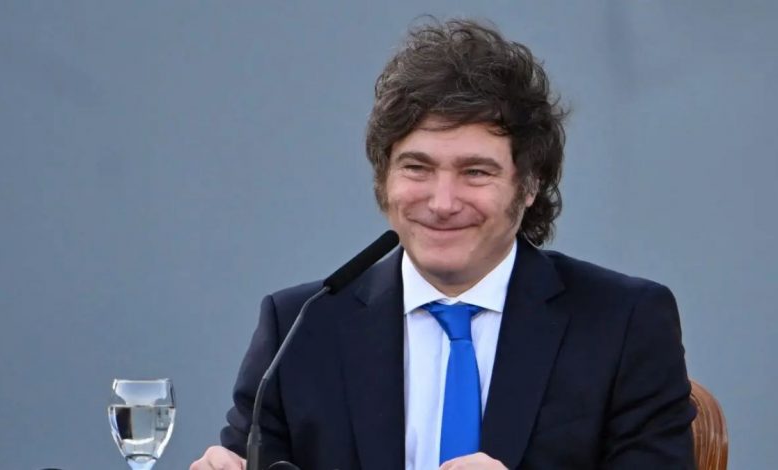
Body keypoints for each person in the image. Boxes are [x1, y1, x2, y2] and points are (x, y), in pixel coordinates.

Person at [191, 18, 696, 470]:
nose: (442, 202)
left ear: (529, 185)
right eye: (417, 168)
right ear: (384, 178)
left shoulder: (623, 322)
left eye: (475, 172)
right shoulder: (300, 326)